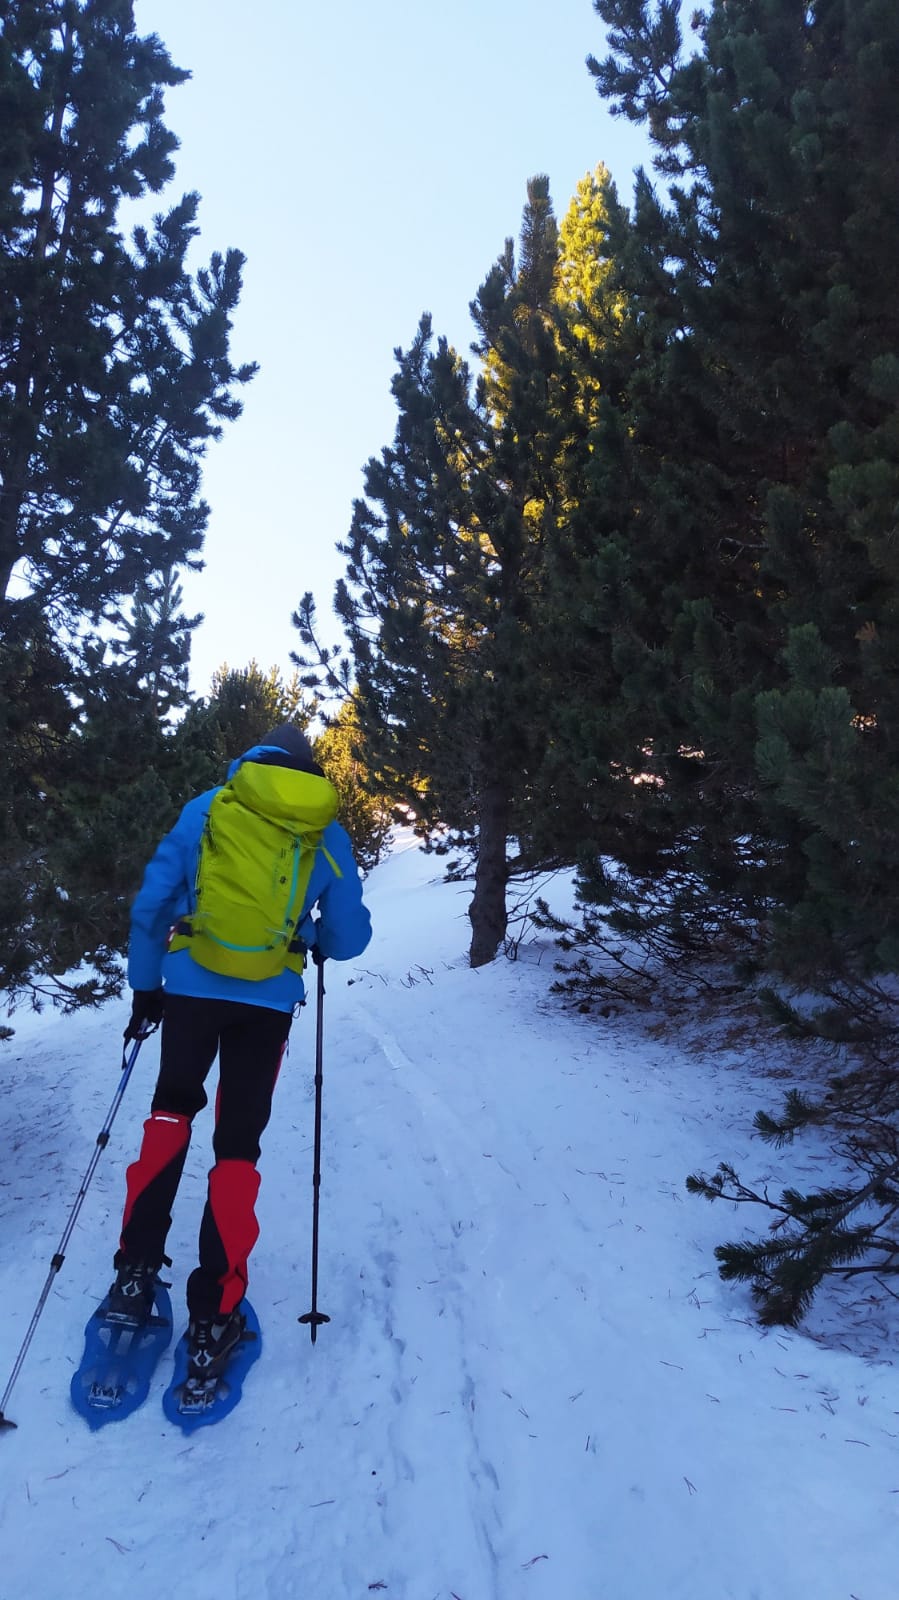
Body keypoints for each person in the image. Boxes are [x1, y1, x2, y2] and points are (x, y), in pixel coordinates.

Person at [107, 723, 372, 1380]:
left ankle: (135, 1279)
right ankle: (215, 1312)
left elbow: (153, 904)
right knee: (236, 1146)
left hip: (192, 987)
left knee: (169, 1115)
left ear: (251, 759)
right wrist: (307, 936)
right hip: (267, 1003)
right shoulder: (324, 831)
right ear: (308, 771)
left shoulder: (208, 806)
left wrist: (147, 988)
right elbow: (346, 939)